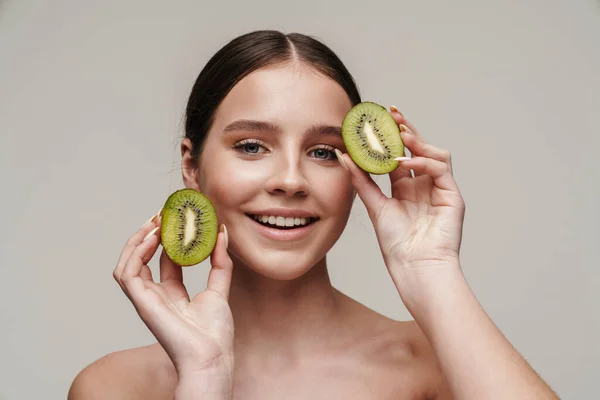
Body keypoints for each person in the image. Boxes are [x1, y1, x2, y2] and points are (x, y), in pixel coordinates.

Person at [68, 30, 560, 399]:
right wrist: (204, 376)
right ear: (191, 165)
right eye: (252, 145)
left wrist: (431, 271)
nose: (290, 180)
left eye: (324, 152)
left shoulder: (436, 367)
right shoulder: (115, 387)